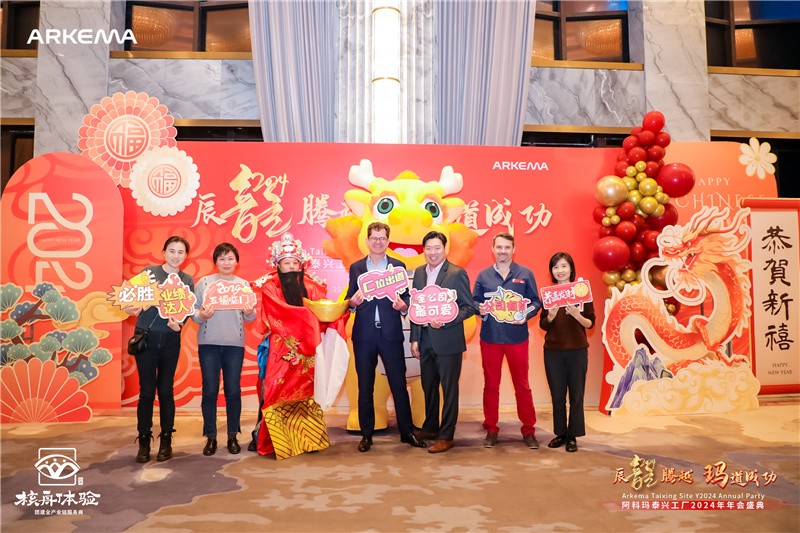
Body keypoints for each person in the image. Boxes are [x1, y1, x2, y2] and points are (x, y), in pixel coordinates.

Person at [251, 232, 344, 460]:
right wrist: (308, 317)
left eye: (295, 263)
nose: (291, 267)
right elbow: (277, 312)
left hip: (308, 351)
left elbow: (322, 310)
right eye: (286, 263)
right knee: (275, 392)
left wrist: (339, 311)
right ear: (278, 265)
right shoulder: (270, 286)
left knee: (307, 393)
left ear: (301, 265)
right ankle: (276, 441)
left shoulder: (311, 287)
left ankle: (308, 439)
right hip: (280, 350)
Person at [346, 222, 427, 452]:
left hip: (390, 334)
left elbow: (406, 297)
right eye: (374, 238)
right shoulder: (357, 267)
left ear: (388, 241)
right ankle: (366, 435)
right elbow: (349, 299)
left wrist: (404, 307)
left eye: (382, 238)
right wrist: (352, 303)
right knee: (365, 386)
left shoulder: (397, 266)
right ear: (367, 240)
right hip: (364, 335)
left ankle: (407, 432)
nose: (378, 242)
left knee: (398, 384)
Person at [127, 236, 194, 464]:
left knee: (166, 391)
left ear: (186, 256)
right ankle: (144, 441)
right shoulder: (149, 273)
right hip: (146, 338)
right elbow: (129, 299)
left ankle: (166, 440)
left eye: (181, 252)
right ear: (164, 252)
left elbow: (186, 310)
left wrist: (179, 325)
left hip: (170, 340)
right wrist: (131, 308)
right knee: (146, 392)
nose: (176, 256)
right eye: (172, 251)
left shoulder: (187, 280)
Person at [473, 232, 542, 449]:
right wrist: (479, 308)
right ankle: (491, 428)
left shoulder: (525, 273)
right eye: (499, 247)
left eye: (507, 247)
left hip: (517, 338)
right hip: (490, 338)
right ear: (492, 249)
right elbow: (474, 301)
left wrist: (525, 315)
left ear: (514, 249)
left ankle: (528, 430)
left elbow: (535, 302)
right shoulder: (484, 276)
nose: (503, 251)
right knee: (491, 385)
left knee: (522, 385)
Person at [410, 231, 475, 453]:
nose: (433, 252)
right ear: (423, 250)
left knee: (449, 390)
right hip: (425, 340)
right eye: (428, 248)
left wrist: (446, 320)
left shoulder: (457, 273)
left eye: (437, 248)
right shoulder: (419, 273)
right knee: (428, 387)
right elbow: (416, 307)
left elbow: (469, 307)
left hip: (448, 341)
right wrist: (415, 338)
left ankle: (446, 436)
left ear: (445, 249)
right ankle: (430, 427)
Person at [192, 243, 256, 456]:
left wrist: (249, 312)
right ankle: (210, 436)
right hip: (208, 343)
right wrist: (202, 316)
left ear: (236, 261)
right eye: (222, 259)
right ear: (215, 262)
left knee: (233, 391)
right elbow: (193, 312)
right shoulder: (204, 283)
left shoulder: (243, 285)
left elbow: (250, 317)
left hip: (234, 345)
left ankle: (232, 436)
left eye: (230, 258)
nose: (226, 263)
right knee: (210, 390)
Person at [539, 252, 595, 453]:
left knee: (577, 395)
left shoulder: (581, 291)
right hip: (553, 352)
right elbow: (543, 324)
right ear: (552, 271)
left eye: (563, 266)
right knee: (557, 395)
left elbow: (590, 323)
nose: (560, 270)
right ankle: (561, 433)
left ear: (571, 269)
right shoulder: (549, 295)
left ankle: (573, 436)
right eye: (555, 267)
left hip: (577, 351)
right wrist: (551, 316)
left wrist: (577, 315)